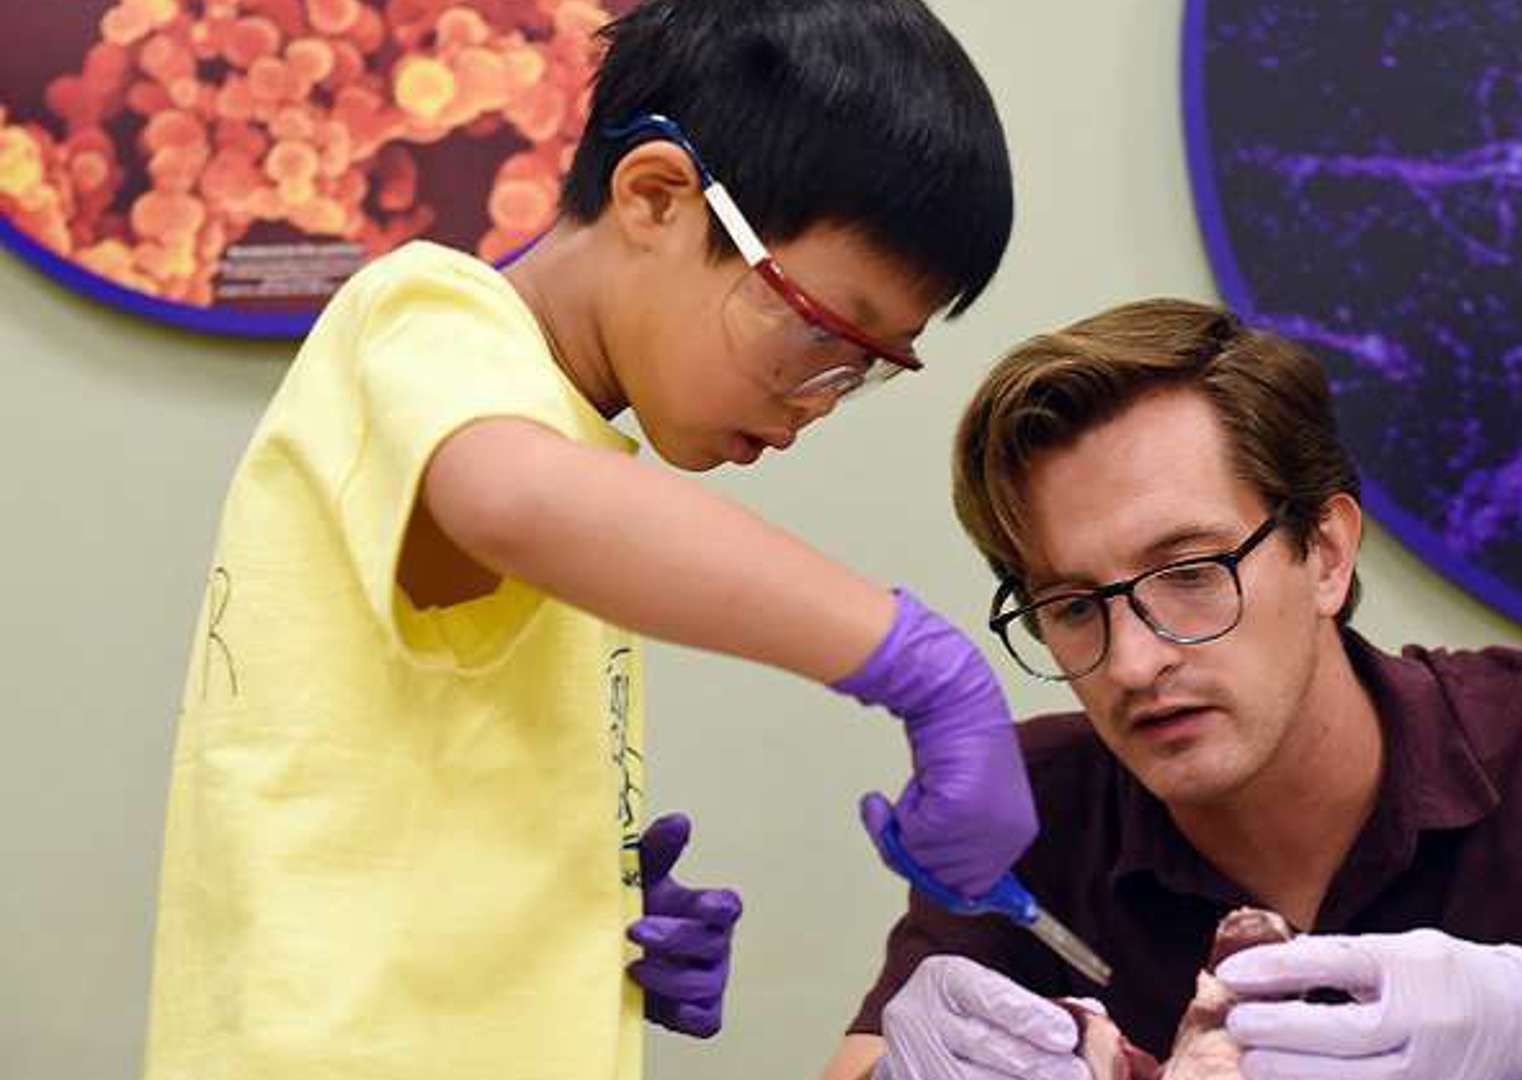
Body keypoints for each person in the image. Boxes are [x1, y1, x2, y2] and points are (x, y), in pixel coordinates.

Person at [143, 3, 1039, 1078]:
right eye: (821, 333)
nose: (821, 399)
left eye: (867, 367)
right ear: (657, 197)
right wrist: (926, 673)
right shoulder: (425, 315)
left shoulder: (560, 447)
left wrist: (573, 915)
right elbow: (513, 501)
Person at [822, 299, 1522, 1080]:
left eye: (1191, 575)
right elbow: (867, 1064)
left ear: (1327, 554)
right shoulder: (1039, 805)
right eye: (1072, 606)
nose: (1137, 659)